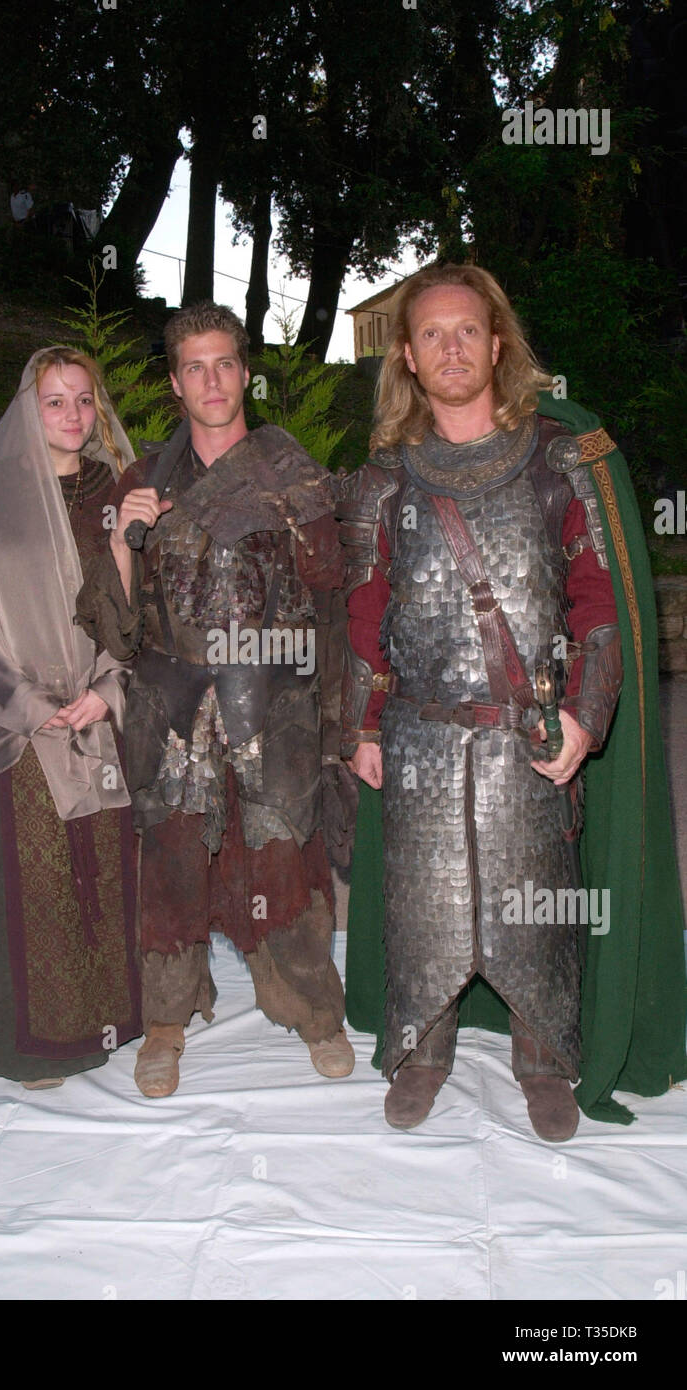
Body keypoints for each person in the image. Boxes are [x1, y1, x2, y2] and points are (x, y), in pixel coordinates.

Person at [338, 263, 687, 1140]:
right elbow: (363, 609)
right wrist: (361, 723)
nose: (450, 348)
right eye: (430, 335)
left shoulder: (561, 460)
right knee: (426, 901)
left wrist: (585, 713)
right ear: (408, 359)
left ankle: (543, 1054)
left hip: (526, 730)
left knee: (536, 900)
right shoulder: (385, 478)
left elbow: (600, 601)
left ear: (498, 345)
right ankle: (422, 1045)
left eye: (467, 331)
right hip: (418, 730)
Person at [76, 302, 354, 1097]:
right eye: (194, 366)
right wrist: (125, 544)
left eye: (224, 363)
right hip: (173, 704)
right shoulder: (144, 482)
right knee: (171, 864)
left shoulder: (294, 473)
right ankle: (166, 1022)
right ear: (174, 382)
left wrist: (335, 721)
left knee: (283, 855)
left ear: (245, 373)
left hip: (276, 702)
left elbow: (331, 605)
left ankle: (315, 1013)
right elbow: (114, 628)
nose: (212, 380)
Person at [0, 347, 142, 1088]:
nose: (73, 416)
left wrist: (109, 689)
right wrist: (27, 705)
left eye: (84, 400)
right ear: (29, 406)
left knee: (104, 866)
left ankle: (108, 1019)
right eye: (55, 401)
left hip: (96, 706)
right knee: (36, 880)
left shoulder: (117, 490)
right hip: (19, 720)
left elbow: (140, 607)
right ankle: (41, 1043)